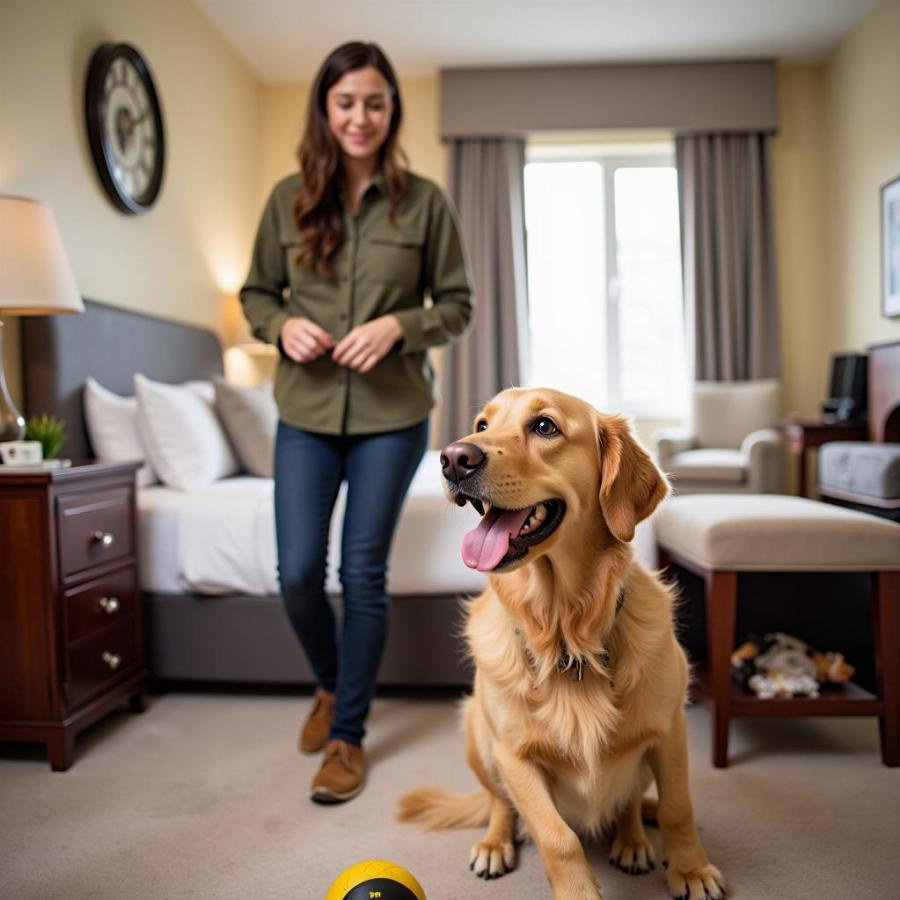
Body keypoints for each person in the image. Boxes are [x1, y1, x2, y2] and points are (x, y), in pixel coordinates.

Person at [240, 41, 473, 804]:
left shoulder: (425, 201)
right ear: (325, 109)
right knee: (299, 571)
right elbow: (256, 295)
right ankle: (329, 684)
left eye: (375, 102)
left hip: (392, 414)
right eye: (346, 103)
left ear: (391, 109)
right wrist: (282, 329)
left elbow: (457, 304)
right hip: (304, 411)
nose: (360, 117)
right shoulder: (286, 198)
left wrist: (399, 326)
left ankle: (347, 736)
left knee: (361, 573)